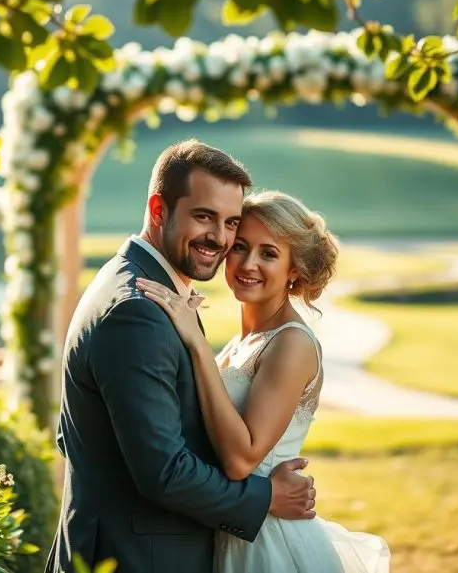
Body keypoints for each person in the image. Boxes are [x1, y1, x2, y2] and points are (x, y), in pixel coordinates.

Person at [45, 139, 318, 573]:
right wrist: (266, 496)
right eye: (204, 216)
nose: (220, 238)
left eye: (231, 222)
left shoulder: (150, 288)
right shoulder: (138, 309)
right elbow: (164, 472)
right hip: (137, 558)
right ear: (158, 210)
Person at [136, 189, 391, 572]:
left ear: (295, 270)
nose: (248, 263)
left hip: (270, 544)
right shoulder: (241, 344)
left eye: (268, 253)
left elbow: (241, 460)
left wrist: (196, 345)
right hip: (233, 529)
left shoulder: (292, 343)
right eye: (239, 247)